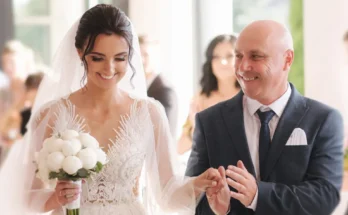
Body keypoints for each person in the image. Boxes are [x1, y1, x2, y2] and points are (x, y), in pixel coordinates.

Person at [0, 4, 223, 215]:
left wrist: (198, 184)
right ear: (80, 53)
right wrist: (55, 198)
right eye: (98, 58)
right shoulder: (51, 115)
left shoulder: (150, 113)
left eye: (120, 58)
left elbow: (167, 193)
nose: (109, 69)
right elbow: (24, 196)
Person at [185, 20, 344, 215]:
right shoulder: (209, 121)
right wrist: (220, 210)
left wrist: (258, 195)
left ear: (287, 59)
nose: (243, 67)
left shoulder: (323, 120)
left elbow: (324, 197)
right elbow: (193, 199)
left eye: (256, 56)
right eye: (239, 56)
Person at [177, 34, 240, 155]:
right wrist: (196, 128)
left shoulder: (250, 96)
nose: (222, 62)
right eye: (216, 57)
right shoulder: (201, 98)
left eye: (229, 56)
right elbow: (179, 148)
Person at [138, 35, 178, 136]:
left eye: (145, 55)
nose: (141, 60)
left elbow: (165, 131)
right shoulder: (138, 86)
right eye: (138, 55)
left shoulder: (165, 90)